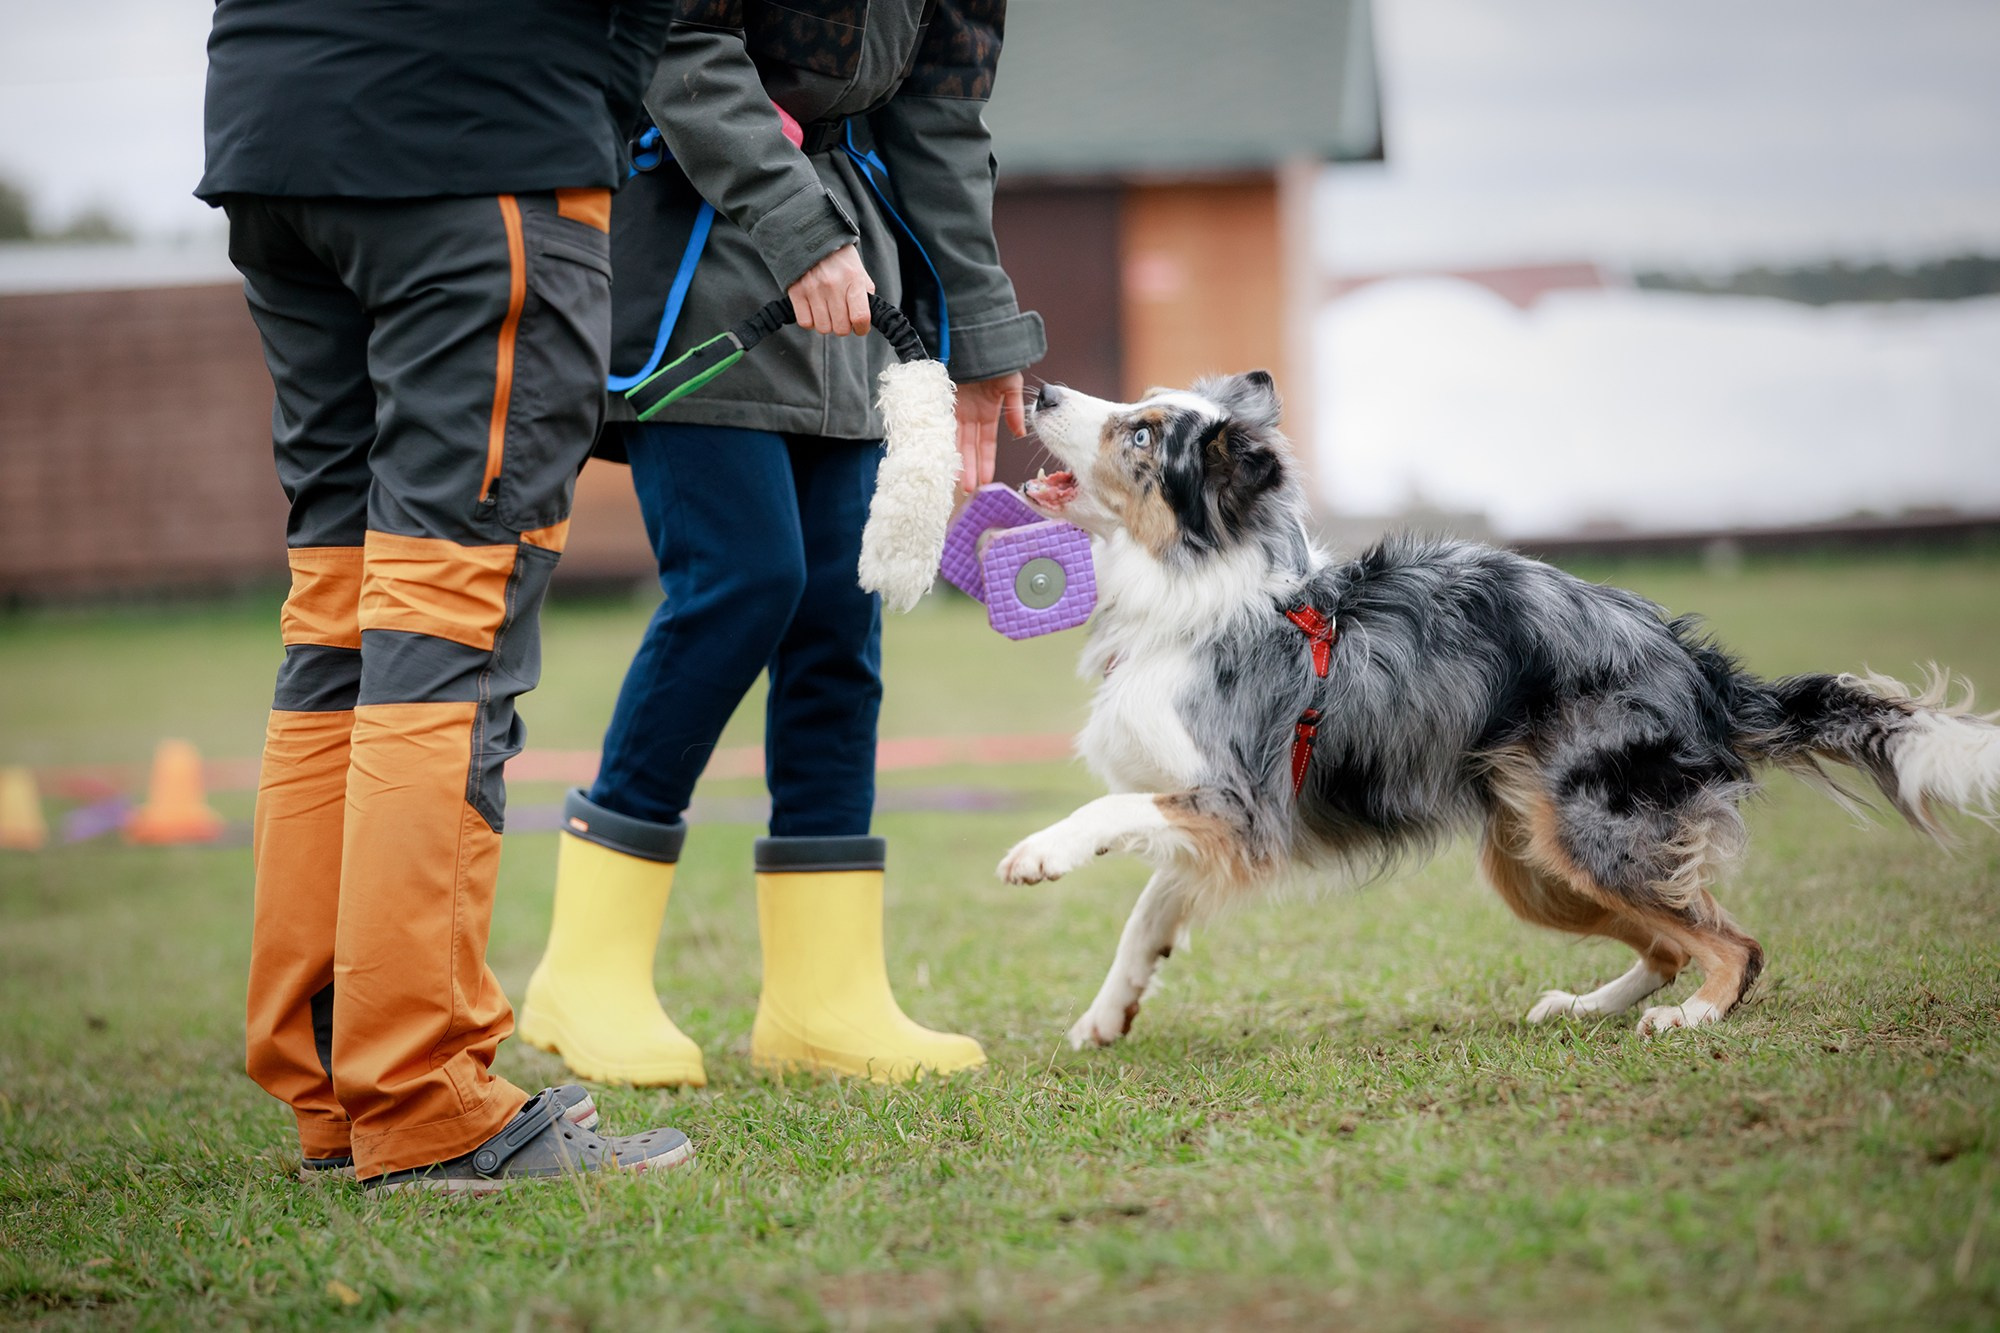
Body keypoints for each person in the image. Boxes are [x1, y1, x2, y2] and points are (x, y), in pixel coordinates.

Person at [200, 0, 694, 1190]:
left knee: (337, 618)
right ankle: (425, 1099)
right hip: (479, 141)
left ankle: (337, 1088)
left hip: (276, 131)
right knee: (445, 621)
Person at [519, 0, 1044, 1085]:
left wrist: (982, 330)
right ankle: (585, 972)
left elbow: (940, 121)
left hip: (852, 281)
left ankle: (822, 998)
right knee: (745, 582)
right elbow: (680, 42)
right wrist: (800, 232)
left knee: (839, 613)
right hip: (701, 251)